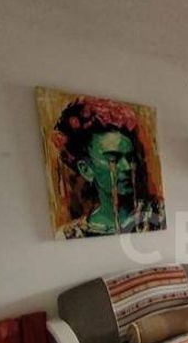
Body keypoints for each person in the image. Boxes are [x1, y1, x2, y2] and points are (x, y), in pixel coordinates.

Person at [52, 97, 165, 239]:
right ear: (86, 170)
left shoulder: (158, 214)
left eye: (129, 157)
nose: (127, 167)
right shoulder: (70, 234)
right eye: (113, 159)